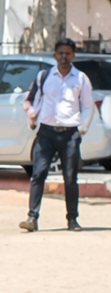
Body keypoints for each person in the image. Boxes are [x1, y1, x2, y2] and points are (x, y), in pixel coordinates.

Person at [19, 37, 94, 233]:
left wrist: (81, 129)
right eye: (60, 53)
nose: (63, 57)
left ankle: (72, 219)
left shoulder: (81, 79)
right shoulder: (44, 76)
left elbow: (88, 106)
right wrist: (32, 116)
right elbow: (31, 100)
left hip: (70, 135)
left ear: (73, 55)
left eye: (67, 53)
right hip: (46, 133)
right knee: (38, 174)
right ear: (54, 55)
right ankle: (32, 217)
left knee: (70, 177)